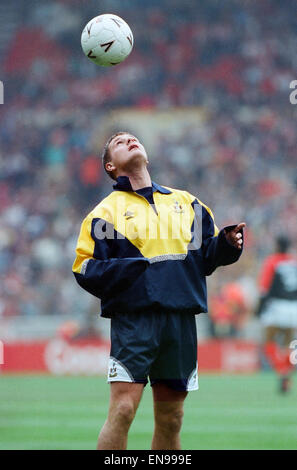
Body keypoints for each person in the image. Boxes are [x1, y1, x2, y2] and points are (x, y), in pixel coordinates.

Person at [72, 131, 245, 450]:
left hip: (180, 321)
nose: (129, 140)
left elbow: (205, 257)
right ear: (111, 166)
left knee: (172, 417)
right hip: (134, 321)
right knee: (123, 411)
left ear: (147, 156)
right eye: (119, 142)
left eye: (133, 138)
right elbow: (84, 268)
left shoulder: (188, 203)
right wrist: (134, 270)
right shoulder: (103, 215)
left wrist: (225, 245)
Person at [256, 235, 297, 393]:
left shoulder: (272, 261)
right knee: (287, 342)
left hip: (277, 306)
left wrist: (259, 309)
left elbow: (264, 288)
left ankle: (282, 370)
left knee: (268, 340)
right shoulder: (294, 262)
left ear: (277, 245)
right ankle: (286, 373)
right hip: (293, 307)